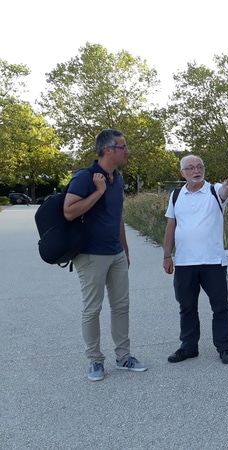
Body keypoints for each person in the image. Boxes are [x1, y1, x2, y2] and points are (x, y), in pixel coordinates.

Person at [64, 129, 147, 381]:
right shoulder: (85, 178)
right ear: (108, 149)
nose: (127, 151)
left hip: (115, 252)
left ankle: (123, 357)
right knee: (92, 309)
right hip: (91, 254)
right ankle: (95, 361)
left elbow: (117, 217)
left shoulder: (118, 179)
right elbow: (69, 211)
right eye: (123, 147)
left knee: (121, 306)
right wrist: (97, 192)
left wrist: (126, 249)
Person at [162, 155, 228, 364]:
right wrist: (167, 255)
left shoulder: (214, 191)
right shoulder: (176, 195)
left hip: (212, 261)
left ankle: (224, 347)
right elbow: (171, 225)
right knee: (186, 307)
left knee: (220, 306)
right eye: (190, 168)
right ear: (183, 173)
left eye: (199, 167)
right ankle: (188, 347)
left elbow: (226, 190)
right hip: (185, 262)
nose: (196, 171)